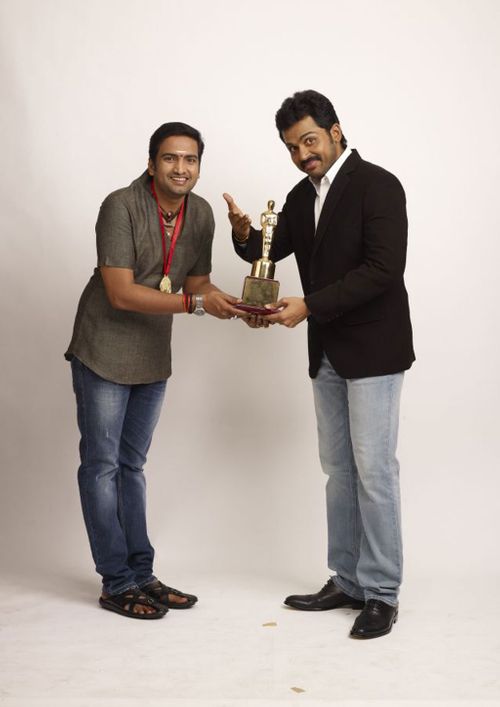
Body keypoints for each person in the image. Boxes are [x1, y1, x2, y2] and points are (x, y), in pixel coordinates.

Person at [224, 90, 415, 639]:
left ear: (335, 131)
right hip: (326, 352)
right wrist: (244, 232)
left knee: (374, 471)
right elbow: (267, 250)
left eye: (309, 140)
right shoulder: (299, 194)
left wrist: (309, 305)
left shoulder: (379, 185)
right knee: (339, 472)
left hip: (374, 350)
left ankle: (381, 593)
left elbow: (383, 269)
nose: (302, 154)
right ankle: (348, 580)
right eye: (291, 147)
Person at [66, 122, 242, 620]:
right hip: (103, 348)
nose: (180, 168)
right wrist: (197, 305)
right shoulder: (119, 206)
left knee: (132, 467)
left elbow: (198, 284)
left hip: (151, 354)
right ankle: (116, 582)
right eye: (170, 158)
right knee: (101, 467)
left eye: (190, 159)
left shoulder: (200, 213)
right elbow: (120, 293)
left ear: (199, 166)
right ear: (151, 163)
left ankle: (142, 575)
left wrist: (236, 304)